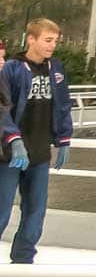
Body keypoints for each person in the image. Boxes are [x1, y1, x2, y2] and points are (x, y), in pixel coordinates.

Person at [0, 18, 72, 264]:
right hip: (9, 155)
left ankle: (23, 261)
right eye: (47, 40)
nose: (52, 45)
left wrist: (64, 139)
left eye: (55, 41)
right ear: (31, 39)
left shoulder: (57, 69)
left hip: (40, 154)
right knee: (1, 212)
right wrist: (13, 139)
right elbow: (2, 109)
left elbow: (63, 105)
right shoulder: (12, 69)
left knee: (35, 212)